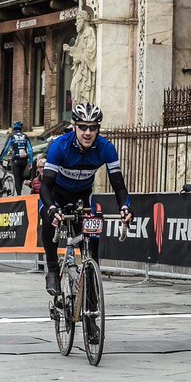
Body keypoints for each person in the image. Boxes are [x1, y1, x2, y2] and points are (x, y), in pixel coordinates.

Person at [40, 103, 134, 300]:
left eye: (93, 127)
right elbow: (46, 187)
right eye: (83, 126)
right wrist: (51, 208)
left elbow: (119, 186)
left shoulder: (106, 148)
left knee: (92, 242)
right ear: (74, 126)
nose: (88, 132)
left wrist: (125, 207)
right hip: (56, 194)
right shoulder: (60, 147)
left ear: (98, 128)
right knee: (49, 222)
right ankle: (51, 268)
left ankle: (91, 296)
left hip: (83, 196)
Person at [0, 121, 35, 195]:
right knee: (21, 177)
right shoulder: (25, 136)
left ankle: (19, 195)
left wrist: (1, 158)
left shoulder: (11, 136)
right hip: (24, 160)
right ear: (21, 128)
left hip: (16, 159)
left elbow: (6, 149)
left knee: (17, 177)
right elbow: (30, 150)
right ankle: (20, 192)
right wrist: (31, 161)